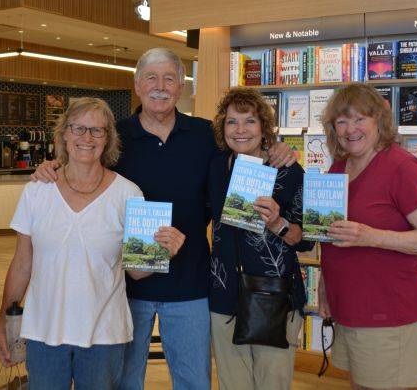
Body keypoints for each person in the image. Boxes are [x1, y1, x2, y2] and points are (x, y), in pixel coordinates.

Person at [32, 48, 297, 390]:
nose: (160, 86)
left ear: (181, 87)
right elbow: (82, 165)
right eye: (152, 78)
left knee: (192, 381)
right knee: (125, 381)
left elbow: (243, 145)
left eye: (169, 78)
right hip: (126, 286)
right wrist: (52, 166)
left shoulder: (205, 135)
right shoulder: (116, 137)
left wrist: (277, 148)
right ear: (138, 85)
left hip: (192, 284)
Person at [0, 97, 186, 390]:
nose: (87, 137)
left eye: (97, 131)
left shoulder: (128, 194)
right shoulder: (37, 191)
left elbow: (136, 272)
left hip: (103, 335)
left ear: (107, 138)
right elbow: (22, 263)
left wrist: (163, 252)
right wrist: (3, 322)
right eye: (79, 128)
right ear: (64, 134)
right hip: (43, 330)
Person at [318, 83, 417, 390]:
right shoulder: (338, 169)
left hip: (388, 312)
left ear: (379, 121)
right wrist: (325, 284)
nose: (351, 129)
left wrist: (370, 236)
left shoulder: (401, 166)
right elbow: (330, 235)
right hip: (349, 306)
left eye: (360, 119)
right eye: (342, 121)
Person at [207, 87, 307, 390]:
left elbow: (304, 240)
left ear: (263, 127)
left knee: (272, 384)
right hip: (224, 295)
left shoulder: (287, 170)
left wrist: (277, 222)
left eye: (249, 121)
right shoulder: (215, 166)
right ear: (222, 127)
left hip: (274, 297)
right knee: (232, 384)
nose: (240, 130)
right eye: (231, 122)